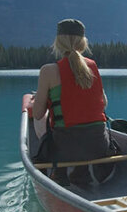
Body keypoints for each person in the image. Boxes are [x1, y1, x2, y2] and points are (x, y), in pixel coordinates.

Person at [30, 18, 116, 185]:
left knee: (41, 119)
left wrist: (41, 98)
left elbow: (39, 113)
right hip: (99, 145)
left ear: (58, 42)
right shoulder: (92, 66)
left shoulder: (48, 71)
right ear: (83, 42)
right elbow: (103, 103)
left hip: (65, 149)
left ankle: (60, 172)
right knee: (83, 128)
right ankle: (80, 172)